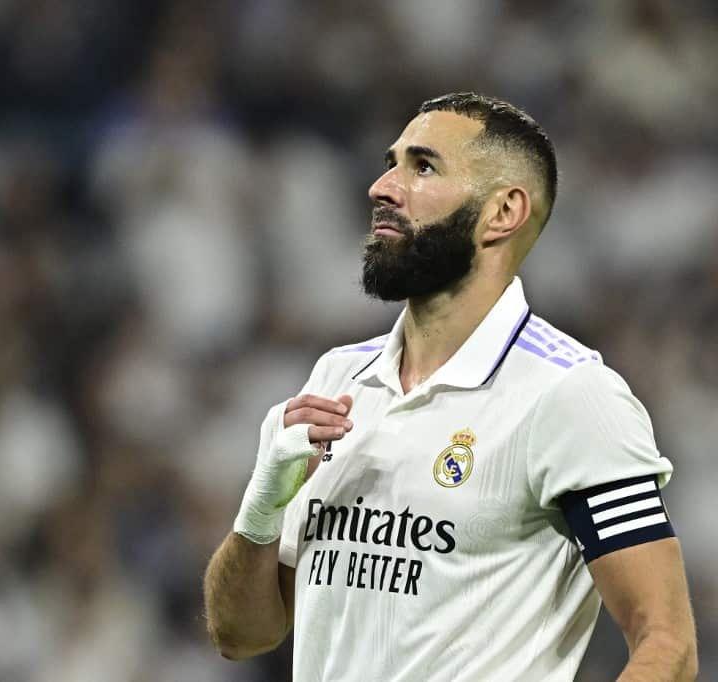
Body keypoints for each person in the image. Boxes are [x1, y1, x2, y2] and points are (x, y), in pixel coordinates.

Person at [203, 92, 698, 681]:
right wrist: (261, 509)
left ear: (503, 212)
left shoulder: (570, 394)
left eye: (423, 167)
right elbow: (240, 635)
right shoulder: (338, 379)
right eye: (391, 164)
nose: (383, 188)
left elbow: (668, 645)